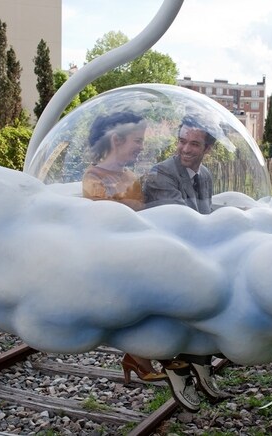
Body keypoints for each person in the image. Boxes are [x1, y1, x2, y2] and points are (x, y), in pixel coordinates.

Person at [144, 115, 231, 413]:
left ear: (207, 148)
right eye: (182, 141)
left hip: (192, 251)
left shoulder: (204, 174)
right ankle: (176, 364)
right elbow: (182, 221)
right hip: (164, 256)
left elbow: (205, 214)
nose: (186, 149)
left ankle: (200, 359)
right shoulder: (161, 175)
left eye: (194, 143)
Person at [82, 111, 167, 384]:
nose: (142, 147)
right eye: (137, 140)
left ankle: (146, 352)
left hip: (138, 248)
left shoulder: (129, 175)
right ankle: (139, 355)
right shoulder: (94, 177)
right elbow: (103, 215)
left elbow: (142, 211)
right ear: (116, 140)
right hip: (111, 254)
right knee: (139, 299)